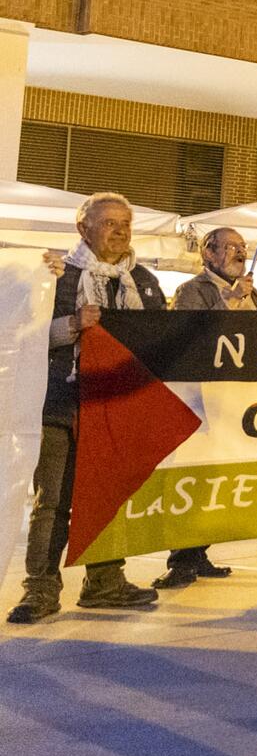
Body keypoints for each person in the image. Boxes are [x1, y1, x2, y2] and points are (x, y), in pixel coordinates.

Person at [6, 192, 166, 624]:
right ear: (83, 228)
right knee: (52, 502)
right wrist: (73, 325)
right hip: (59, 401)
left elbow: (160, 340)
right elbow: (24, 335)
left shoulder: (145, 282)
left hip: (116, 408)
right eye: (110, 222)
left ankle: (105, 583)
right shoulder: (55, 275)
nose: (120, 231)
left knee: (107, 499)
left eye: (125, 223)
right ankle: (39, 590)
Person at [158, 226, 257, 590]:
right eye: (232, 247)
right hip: (198, 403)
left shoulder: (255, 294)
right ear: (208, 253)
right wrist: (229, 301)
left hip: (235, 403)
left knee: (217, 482)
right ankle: (180, 558)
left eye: (243, 246)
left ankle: (200, 550)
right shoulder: (192, 291)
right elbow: (187, 339)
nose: (241, 253)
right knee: (193, 477)